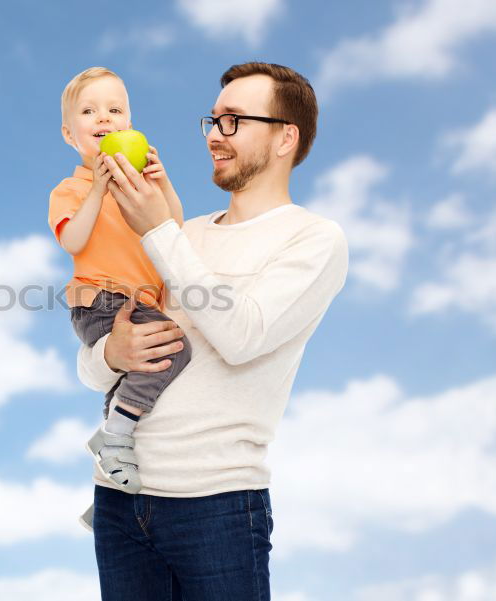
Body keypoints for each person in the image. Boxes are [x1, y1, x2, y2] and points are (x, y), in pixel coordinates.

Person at [77, 62, 349, 601]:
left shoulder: (313, 240)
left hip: (217, 505)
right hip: (118, 499)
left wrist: (156, 229)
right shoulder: (184, 234)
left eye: (233, 121)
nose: (213, 136)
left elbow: (241, 334)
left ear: (284, 138)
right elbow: (92, 367)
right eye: (212, 120)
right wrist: (113, 351)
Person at [47, 67, 193, 530]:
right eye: (89, 112)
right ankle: (112, 439)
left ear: (130, 123)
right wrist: (98, 188)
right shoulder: (69, 190)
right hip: (104, 300)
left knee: (137, 395)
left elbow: (174, 227)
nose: (103, 119)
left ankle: (108, 497)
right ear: (71, 135)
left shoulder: (142, 187)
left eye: (115, 110)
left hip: (139, 299)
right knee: (174, 350)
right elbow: (74, 241)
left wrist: (161, 182)